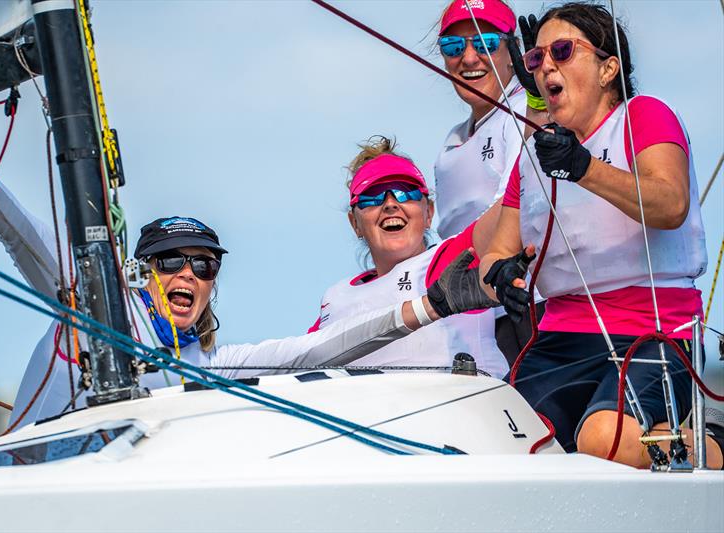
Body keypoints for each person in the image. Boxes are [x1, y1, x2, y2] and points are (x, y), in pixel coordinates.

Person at [0, 121, 496, 427]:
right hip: (22, 477)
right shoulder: (99, 304)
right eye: (171, 261)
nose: (188, 274)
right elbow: (17, 228)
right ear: (142, 272)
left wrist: (431, 305)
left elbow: (315, 353)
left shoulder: (207, 365)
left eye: (203, 264)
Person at [477, 2, 722, 468]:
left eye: (563, 52)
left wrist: (583, 167)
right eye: (535, 58)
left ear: (609, 68)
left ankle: (716, 445)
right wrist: (501, 274)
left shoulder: (643, 115)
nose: (546, 64)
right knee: (501, 444)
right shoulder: (536, 153)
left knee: (603, 439)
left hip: (653, 330)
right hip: (560, 336)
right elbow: (496, 252)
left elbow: (670, 204)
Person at [309, 136, 507, 378]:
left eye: (406, 193)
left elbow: (511, 209)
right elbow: (290, 365)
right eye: (373, 196)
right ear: (355, 224)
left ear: (428, 213)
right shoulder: (334, 299)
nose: (391, 204)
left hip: (464, 410)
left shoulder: (447, 260)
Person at [434, 0, 548, 363]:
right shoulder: (451, 140)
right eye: (454, 47)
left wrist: (430, 274)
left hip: (524, 304)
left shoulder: (523, 111)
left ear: (512, 49)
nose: (468, 58)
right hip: (471, 315)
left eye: (485, 43)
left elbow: (515, 203)